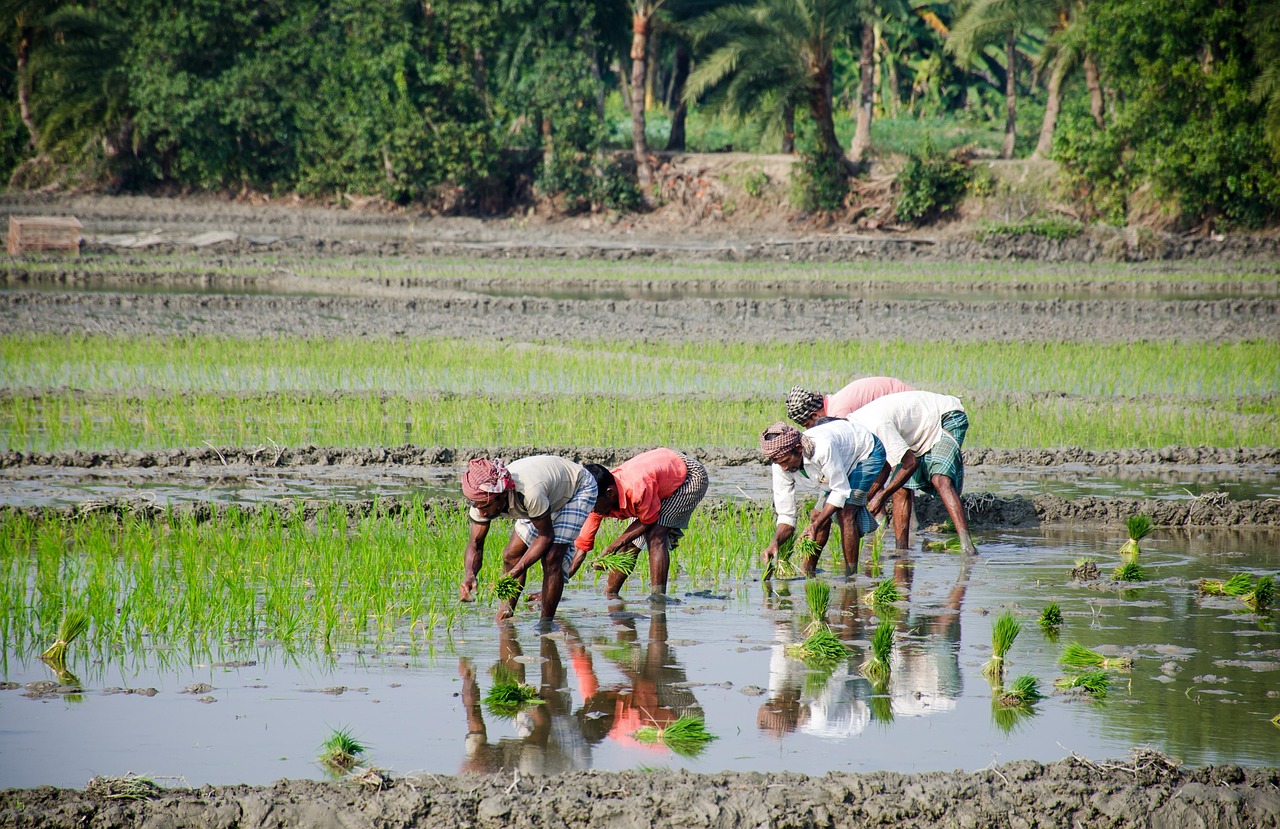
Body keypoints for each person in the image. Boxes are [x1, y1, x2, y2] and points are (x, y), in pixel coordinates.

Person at [459, 455, 598, 623]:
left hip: (577, 488)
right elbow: (475, 543)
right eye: (479, 508)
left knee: (552, 557)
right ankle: (505, 614)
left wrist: (515, 571)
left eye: (487, 507)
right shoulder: (481, 501)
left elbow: (545, 537)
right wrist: (470, 574)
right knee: (511, 555)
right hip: (547, 494)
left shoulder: (529, 493)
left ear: (502, 495)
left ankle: (546, 623)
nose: (483, 514)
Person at [849, 390, 976, 555]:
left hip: (945, 417)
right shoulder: (855, 430)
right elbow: (885, 468)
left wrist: (881, 497)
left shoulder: (876, 426)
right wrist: (864, 499)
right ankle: (901, 549)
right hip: (916, 433)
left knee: (940, 480)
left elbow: (910, 463)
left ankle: (968, 547)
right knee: (901, 488)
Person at [574, 448, 709, 601]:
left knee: (656, 534)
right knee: (629, 544)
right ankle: (610, 595)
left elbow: (648, 520)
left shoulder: (637, 489)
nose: (590, 508)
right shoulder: (595, 497)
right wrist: (552, 587)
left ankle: (658, 596)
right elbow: (580, 550)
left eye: (593, 504)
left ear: (610, 494)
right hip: (658, 474)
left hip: (689, 476)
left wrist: (612, 547)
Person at [758, 418, 887, 577]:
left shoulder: (822, 449)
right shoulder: (780, 467)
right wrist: (775, 543)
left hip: (866, 452)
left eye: (786, 461)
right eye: (779, 463)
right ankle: (808, 570)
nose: (784, 467)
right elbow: (787, 515)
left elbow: (840, 490)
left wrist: (816, 525)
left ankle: (851, 576)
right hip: (835, 466)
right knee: (818, 515)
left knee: (846, 511)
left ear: (798, 449)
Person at [785, 376, 915, 429]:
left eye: (808, 425)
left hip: (906, 404)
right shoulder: (834, 402)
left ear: (814, 415)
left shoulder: (839, 413)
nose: (809, 429)